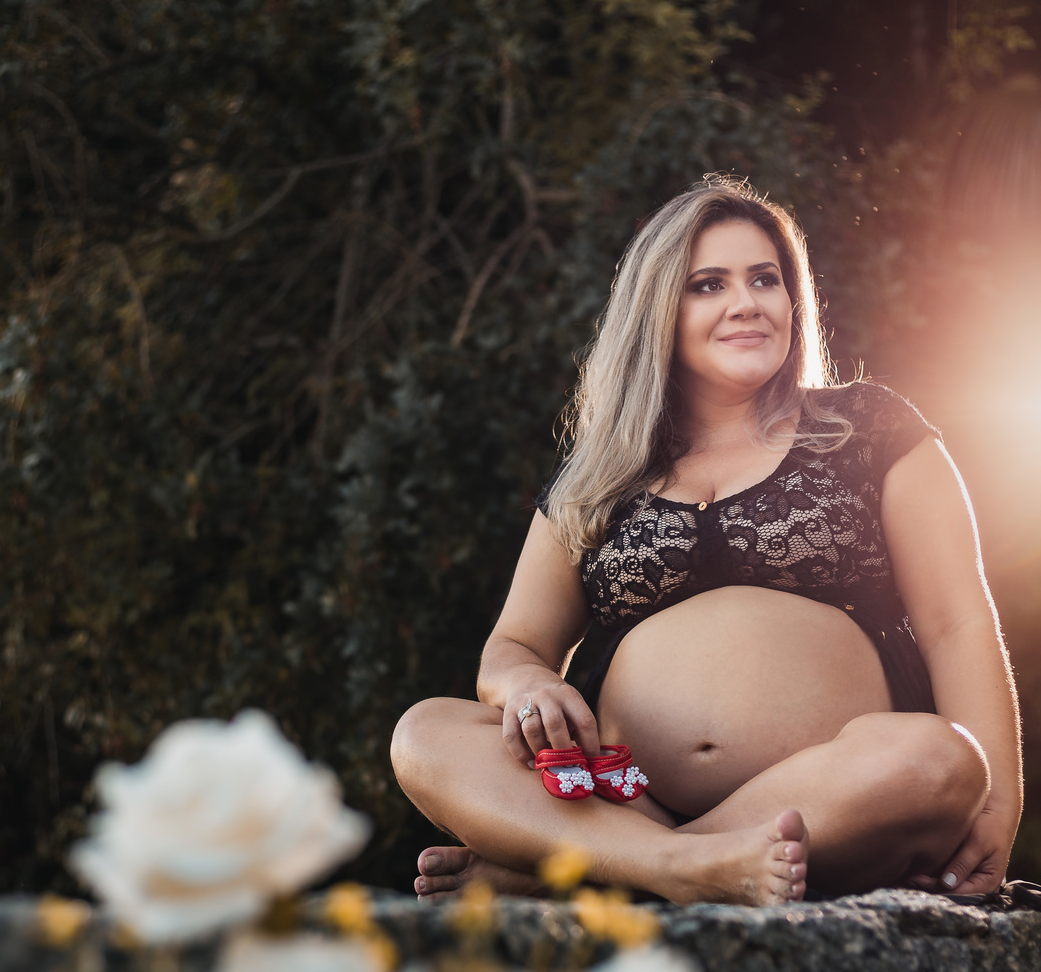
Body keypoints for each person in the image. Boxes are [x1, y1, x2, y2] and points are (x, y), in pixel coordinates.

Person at [391, 178, 1021, 907]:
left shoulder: (869, 428)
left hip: (836, 804)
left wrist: (997, 805)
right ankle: (673, 864)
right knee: (425, 732)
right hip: (623, 798)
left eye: (765, 279)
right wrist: (529, 684)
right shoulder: (598, 478)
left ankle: (603, 872)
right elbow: (513, 648)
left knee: (938, 760)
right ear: (659, 310)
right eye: (708, 285)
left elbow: (957, 624)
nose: (746, 302)